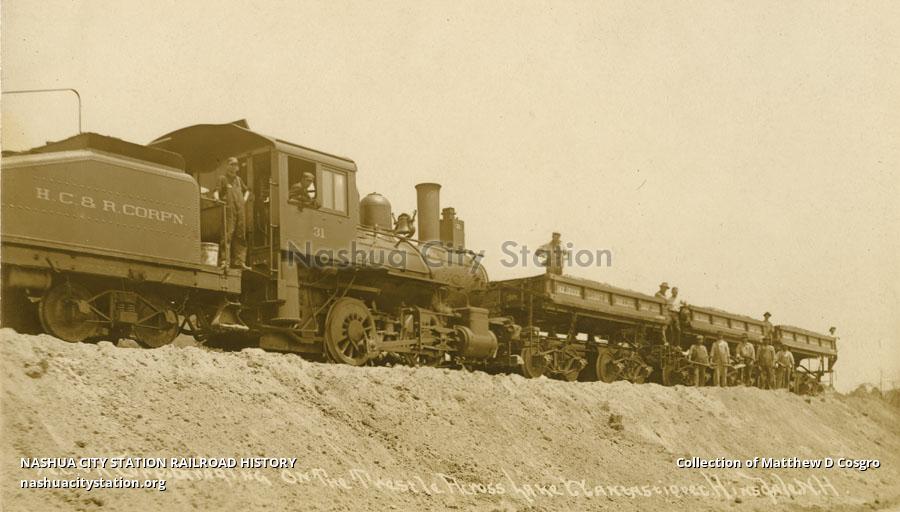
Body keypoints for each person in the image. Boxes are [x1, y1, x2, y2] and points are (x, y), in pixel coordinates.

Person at [216, 157, 250, 270]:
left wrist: (244, 200)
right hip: (229, 209)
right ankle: (225, 261)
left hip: (240, 210)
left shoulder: (239, 180)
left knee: (241, 234)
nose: (234, 167)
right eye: (232, 164)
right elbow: (216, 191)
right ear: (227, 166)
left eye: (235, 165)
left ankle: (240, 261)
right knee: (227, 235)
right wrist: (217, 199)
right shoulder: (223, 178)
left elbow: (247, 190)